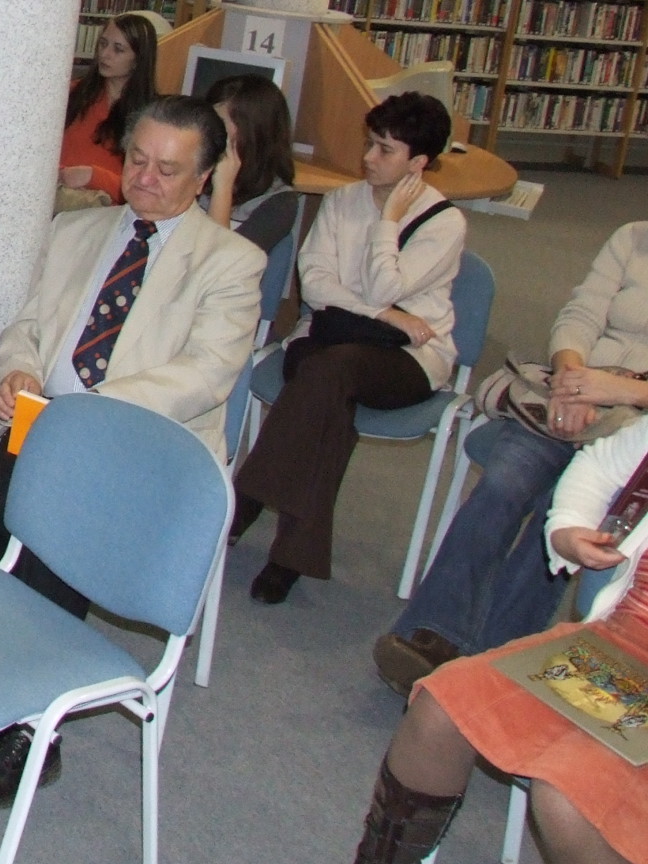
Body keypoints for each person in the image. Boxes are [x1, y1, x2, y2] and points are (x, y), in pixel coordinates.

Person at [0, 95, 264, 804]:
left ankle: (33, 728)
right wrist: (17, 372)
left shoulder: (233, 263)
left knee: (58, 543)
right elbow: (26, 327)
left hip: (140, 445)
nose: (144, 179)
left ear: (204, 177)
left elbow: (207, 374)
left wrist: (88, 413)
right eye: (137, 160)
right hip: (46, 423)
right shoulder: (76, 229)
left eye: (168, 170)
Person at [349, 416, 648, 864]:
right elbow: (600, 464)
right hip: (617, 643)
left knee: (568, 801)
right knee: (442, 707)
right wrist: (568, 526)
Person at [374, 222, 648, 697]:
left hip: (635, 432)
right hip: (571, 398)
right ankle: (433, 633)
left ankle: (495, 661)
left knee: (560, 514)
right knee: (504, 482)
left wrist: (622, 390)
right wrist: (570, 381)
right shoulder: (635, 237)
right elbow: (581, 315)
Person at [233, 91, 465, 605]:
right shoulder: (342, 201)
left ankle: (247, 496)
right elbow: (315, 285)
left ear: (418, 163)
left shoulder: (444, 222)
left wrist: (389, 222)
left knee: (325, 373)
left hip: (409, 358)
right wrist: (383, 315)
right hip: (329, 339)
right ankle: (292, 552)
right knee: (327, 399)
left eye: (385, 150)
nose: (368, 157)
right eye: (370, 143)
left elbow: (386, 284)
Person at [59, 13, 158, 205]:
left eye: (118, 49)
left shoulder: (152, 115)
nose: (104, 54)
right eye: (103, 44)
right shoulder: (72, 94)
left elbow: (149, 190)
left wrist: (93, 176)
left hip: (110, 212)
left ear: (138, 60)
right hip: (58, 200)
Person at [203, 73, 299, 253]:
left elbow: (219, 262)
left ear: (252, 132)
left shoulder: (279, 203)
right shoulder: (197, 169)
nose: (208, 130)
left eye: (219, 123)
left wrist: (223, 187)